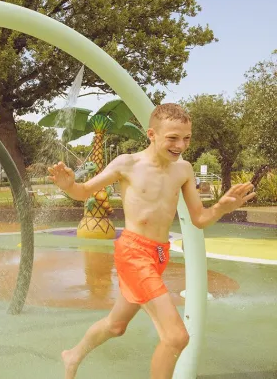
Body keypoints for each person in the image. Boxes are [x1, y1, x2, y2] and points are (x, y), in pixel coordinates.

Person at [47, 103, 255, 379]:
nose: (181, 145)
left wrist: (221, 208)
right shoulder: (127, 164)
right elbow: (84, 191)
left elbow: (199, 219)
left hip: (159, 255)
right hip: (134, 253)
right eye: (172, 138)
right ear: (152, 134)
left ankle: (72, 355)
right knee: (176, 337)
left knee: (116, 325)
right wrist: (68, 186)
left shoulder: (183, 170)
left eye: (187, 138)